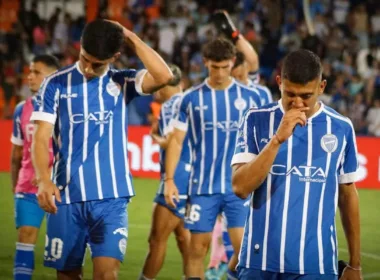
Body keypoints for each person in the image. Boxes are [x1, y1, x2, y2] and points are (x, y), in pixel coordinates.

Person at [31, 19, 173, 280]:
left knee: (107, 276)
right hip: (66, 197)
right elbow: (40, 138)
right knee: (67, 275)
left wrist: (130, 36)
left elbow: (164, 76)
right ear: (80, 46)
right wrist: (42, 179)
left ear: (115, 57)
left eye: (97, 63)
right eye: (85, 58)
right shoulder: (55, 84)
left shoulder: (122, 81)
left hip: (111, 198)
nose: (87, 67)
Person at [231, 49, 361, 280]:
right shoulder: (256, 119)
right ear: (279, 82)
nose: (297, 103)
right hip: (258, 263)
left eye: (306, 96)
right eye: (290, 94)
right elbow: (240, 187)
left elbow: (348, 195)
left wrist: (355, 264)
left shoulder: (341, 127)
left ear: (321, 88)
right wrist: (277, 139)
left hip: (315, 265)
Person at [164, 38, 262, 280]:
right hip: (202, 187)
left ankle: (229, 276)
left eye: (224, 67)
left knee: (244, 251)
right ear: (205, 63)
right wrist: (169, 179)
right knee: (196, 249)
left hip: (239, 188)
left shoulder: (252, 98)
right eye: (214, 67)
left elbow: (265, 141)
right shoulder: (191, 98)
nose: (219, 73)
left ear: (233, 63)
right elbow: (176, 140)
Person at [11, 54, 60, 280]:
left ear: (52, 76)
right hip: (27, 189)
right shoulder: (22, 109)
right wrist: (16, 189)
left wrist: (48, 174)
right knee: (26, 236)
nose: (29, 76)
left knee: (65, 250)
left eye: (36, 72)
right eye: (29, 71)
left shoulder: (66, 107)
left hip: (59, 189)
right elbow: (17, 153)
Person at [140, 64, 190, 280]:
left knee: (156, 239)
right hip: (191, 177)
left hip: (177, 178)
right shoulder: (187, 99)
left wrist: (155, 138)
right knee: (184, 240)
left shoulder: (171, 105)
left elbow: (171, 142)